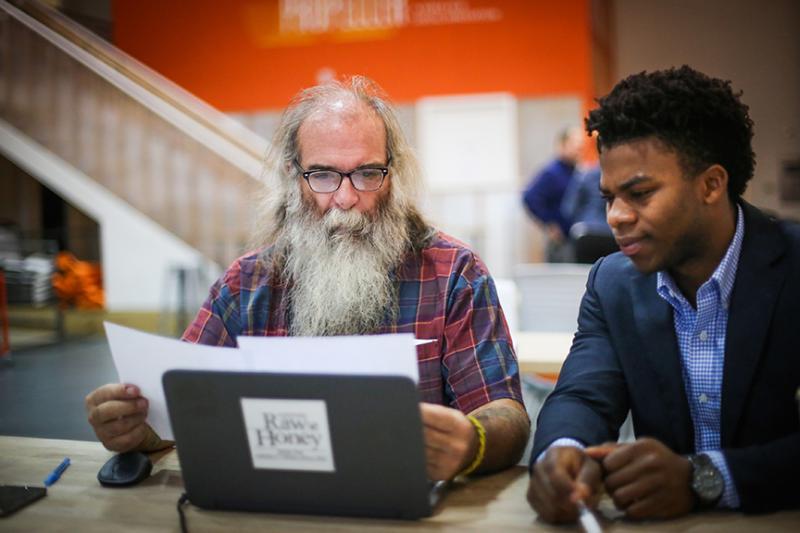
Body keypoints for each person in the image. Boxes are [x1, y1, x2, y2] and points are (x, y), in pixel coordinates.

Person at [85, 76, 530, 482]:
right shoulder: (245, 287)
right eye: (322, 175)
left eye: (367, 173)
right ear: (293, 178)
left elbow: (507, 415)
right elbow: (181, 408)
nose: (346, 197)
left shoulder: (454, 274)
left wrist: (471, 442)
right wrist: (137, 427)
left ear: (393, 175)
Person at [527, 65, 800, 522]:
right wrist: (562, 453)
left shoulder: (792, 265)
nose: (616, 217)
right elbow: (582, 397)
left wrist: (705, 478)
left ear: (712, 184)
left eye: (640, 193)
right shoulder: (612, 282)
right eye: (609, 198)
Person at [522, 126, 585, 262]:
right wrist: (549, 223)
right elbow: (530, 197)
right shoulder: (552, 172)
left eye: (580, 146)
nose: (578, 150)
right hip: (561, 242)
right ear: (562, 145)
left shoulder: (576, 171)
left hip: (575, 238)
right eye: (574, 145)